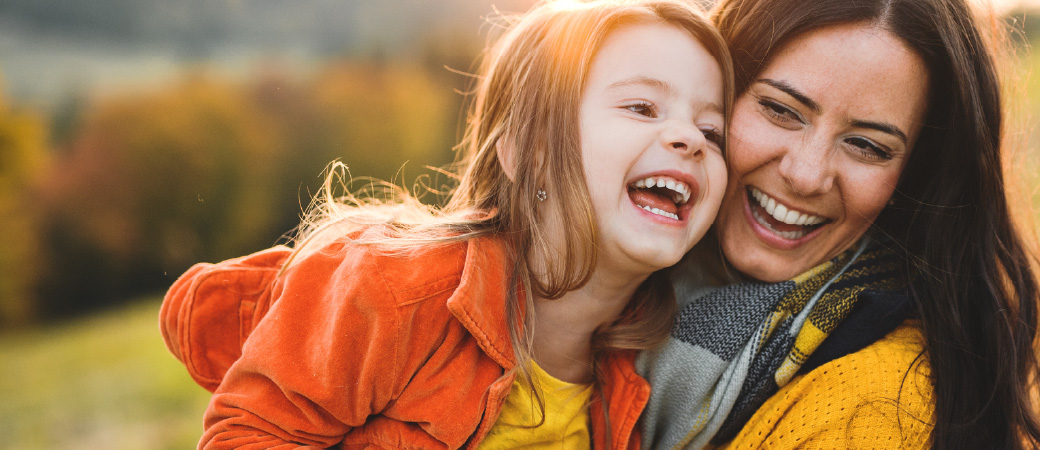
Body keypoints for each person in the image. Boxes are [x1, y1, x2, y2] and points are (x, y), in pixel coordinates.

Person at [158, 0, 732, 448]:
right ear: (525, 150)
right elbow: (248, 436)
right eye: (641, 107)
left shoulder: (641, 376)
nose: (689, 139)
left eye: (713, 132)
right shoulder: (393, 291)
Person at [638, 0, 1040, 448]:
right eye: (781, 110)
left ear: (916, 175)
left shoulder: (873, 408)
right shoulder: (609, 276)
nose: (807, 175)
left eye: (867, 145)